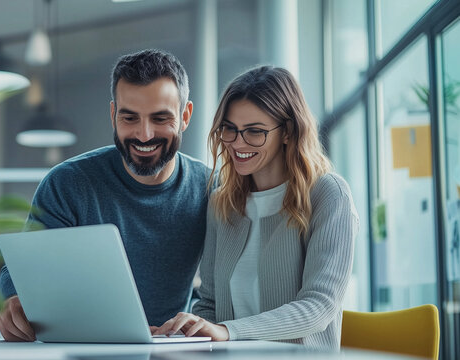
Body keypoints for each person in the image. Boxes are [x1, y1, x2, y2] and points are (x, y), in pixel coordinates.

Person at [0, 49, 211, 342]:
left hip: (170, 349)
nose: (144, 134)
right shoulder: (67, 183)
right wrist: (13, 299)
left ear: (185, 116)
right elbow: (22, 269)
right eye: (129, 118)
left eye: (161, 118)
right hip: (81, 347)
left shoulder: (211, 188)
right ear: (113, 115)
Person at [153, 65, 358, 350]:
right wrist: (182, 332)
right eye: (230, 129)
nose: (238, 143)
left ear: (287, 132)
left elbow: (319, 307)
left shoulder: (328, 195)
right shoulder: (221, 203)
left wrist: (227, 331)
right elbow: (210, 304)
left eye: (255, 132)